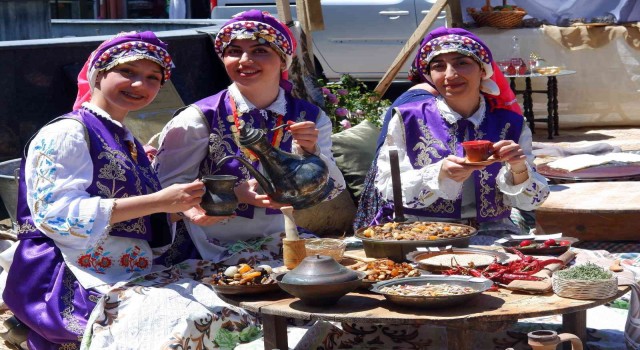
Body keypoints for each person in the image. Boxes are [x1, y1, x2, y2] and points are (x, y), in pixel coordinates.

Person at [0, 31, 250, 349]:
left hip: (128, 267)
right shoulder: (68, 133)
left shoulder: (123, 138)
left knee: (233, 302)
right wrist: (157, 201)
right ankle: (38, 328)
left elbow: (136, 217)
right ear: (98, 73)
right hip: (70, 276)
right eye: (127, 72)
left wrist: (178, 211)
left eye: (152, 78)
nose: (139, 85)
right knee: (194, 323)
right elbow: (57, 217)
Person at [154, 10, 346, 266]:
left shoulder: (309, 117)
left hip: (279, 238)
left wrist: (311, 154)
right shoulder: (198, 118)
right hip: (207, 245)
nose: (245, 60)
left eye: (260, 51)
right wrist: (233, 194)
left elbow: (330, 190)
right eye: (234, 51)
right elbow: (164, 189)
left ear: (283, 60)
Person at [354, 27, 549, 243]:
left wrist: (519, 168)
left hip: (494, 234)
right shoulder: (407, 118)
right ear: (429, 75)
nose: (450, 75)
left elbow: (531, 202)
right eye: (439, 66)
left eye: (461, 63)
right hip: (423, 235)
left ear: (482, 70)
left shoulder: (511, 123)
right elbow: (388, 189)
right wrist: (440, 174)